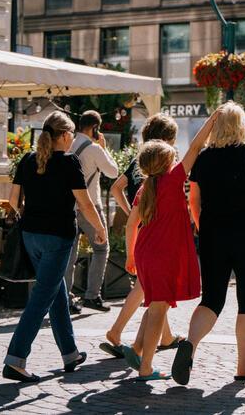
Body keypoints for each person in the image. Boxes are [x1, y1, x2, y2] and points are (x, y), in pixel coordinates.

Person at [173, 102, 245, 384]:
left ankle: (190, 343)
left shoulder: (203, 159)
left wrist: (201, 225)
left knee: (212, 299)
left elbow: (193, 200)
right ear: (242, 125)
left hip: (212, 238)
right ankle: (244, 366)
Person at [2, 111, 107, 382]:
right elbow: (85, 203)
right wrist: (99, 228)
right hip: (58, 238)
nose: (73, 138)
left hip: (30, 235)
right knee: (41, 298)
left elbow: (13, 200)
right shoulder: (69, 162)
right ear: (62, 135)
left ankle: (70, 353)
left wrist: (30, 212)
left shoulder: (27, 160)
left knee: (55, 290)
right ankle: (15, 359)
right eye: (71, 133)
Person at [123, 109, 220, 381]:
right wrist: (211, 121)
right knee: (157, 310)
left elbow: (131, 225)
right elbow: (197, 145)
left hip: (145, 253)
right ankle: (146, 367)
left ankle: (138, 349)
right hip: (164, 255)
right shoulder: (174, 178)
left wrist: (130, 256)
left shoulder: (146, 188)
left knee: (155, 307)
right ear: (167, 162)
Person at [100, 112, 182, 362]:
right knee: (146, 289)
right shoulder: (162, 164)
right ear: (166, 139)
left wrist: (132, 213)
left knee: (154, 291)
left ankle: (165, 338)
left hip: (143, 227)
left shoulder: (140, 161)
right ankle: (117, 332)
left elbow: (115, 188)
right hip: (156, 233)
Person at [64, 110, 120, 313]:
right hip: (90, 206)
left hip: (70, 206)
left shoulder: (68, 144)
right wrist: (104, 149)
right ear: (95, 128)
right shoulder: (95, 148)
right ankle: (92, 296)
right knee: (101, 248)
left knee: (70, 252)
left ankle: (67, 299)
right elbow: (113, 172)